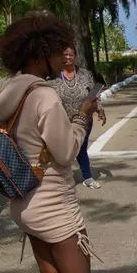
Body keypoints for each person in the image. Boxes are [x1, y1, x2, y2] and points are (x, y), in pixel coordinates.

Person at [0, 10, 100, 273]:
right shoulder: (43, 94)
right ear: (38, 53)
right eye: (54, 50)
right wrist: (81, 116)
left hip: (23, 202)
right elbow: (65, 153)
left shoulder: (7, 91)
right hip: (52, 204)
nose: (59, 57)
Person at [52, 46, 105, 189]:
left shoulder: (84, 74)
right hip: (63, 120)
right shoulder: (53, 76)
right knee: (64, 149)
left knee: (80, 147)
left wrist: (100, 110)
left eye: (71, 55)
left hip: (84, 119)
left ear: (75, 56)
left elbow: (95, 94)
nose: (68, 57)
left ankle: (87, 177)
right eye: (64, 54)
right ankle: (63, 178)